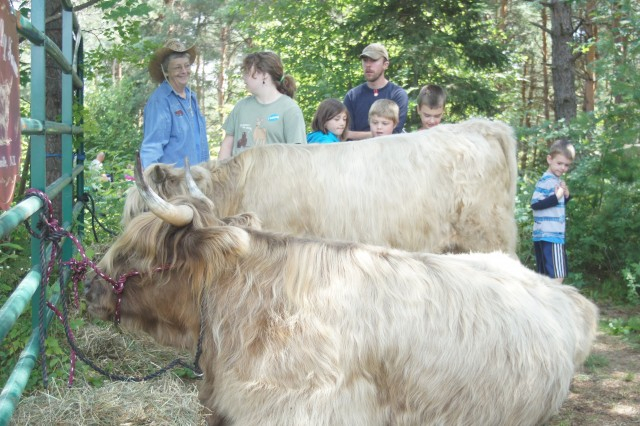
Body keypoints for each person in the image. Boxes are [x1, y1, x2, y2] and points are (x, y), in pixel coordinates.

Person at [218, 51, 306, 160]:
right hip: (239, 176)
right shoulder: (241, 106)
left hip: (274, 176)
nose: (243, 77)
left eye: (247, 72)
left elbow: (298, 154)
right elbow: (227, 145)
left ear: (264, 75)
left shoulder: (290, 109)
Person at [140, 39, 209, 168]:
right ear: (166, 71)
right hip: (175, 182)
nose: (184, 71)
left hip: (198, 177)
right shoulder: (160, 101)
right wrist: (151, 180)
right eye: (177, 67)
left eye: (187, 66)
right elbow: (152, 146)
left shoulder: (191, 97)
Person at [531, 139, 576, 283]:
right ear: (549, 159)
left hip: (544, 235)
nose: (563, 168)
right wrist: (556, 197)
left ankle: (542, 304)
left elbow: (554, 207)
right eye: (559, 163)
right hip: (550, 235)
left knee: (545, 278)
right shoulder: (547, 181)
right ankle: (554, 304)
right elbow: (536, 204)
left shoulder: (553, 180)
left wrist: (566, 197)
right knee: (557, 276)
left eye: (566, 165)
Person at [343, 43, 408, 140]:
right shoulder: (352, 96)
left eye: (373, 60)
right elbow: (344, 133)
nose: (368, 65)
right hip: (358, 152)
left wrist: (357, 135)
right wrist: (379, 135)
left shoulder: (398, 94)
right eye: (365, 60)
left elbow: (395, 133)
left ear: (385, 65)